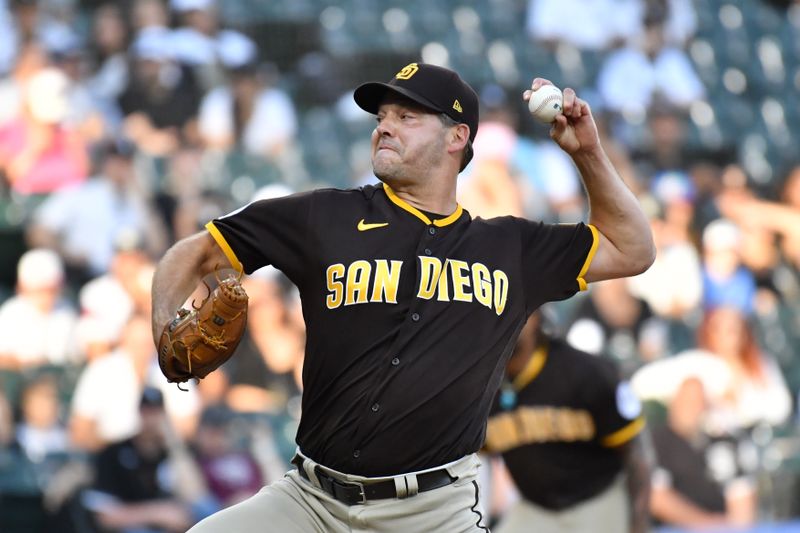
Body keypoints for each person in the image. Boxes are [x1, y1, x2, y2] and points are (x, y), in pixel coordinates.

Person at [151, 62, 655, 531]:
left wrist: (586, 153)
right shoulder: (322, 218)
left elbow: (632, 249)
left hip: (431, 513)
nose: (383, 126)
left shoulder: (511, 249)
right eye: (382, 116)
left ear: (458, 136)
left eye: (406, 116)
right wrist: (163, 330)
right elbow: (193, 254)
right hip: (310, 501)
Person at [484, 311, 651, 533]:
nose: (502, 325)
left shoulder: (586, 373)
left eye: (510, 314)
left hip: (597, 501)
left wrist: (638, 523)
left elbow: (636, 454)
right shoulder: (477, 384)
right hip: (535, 508)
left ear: (535, 317)